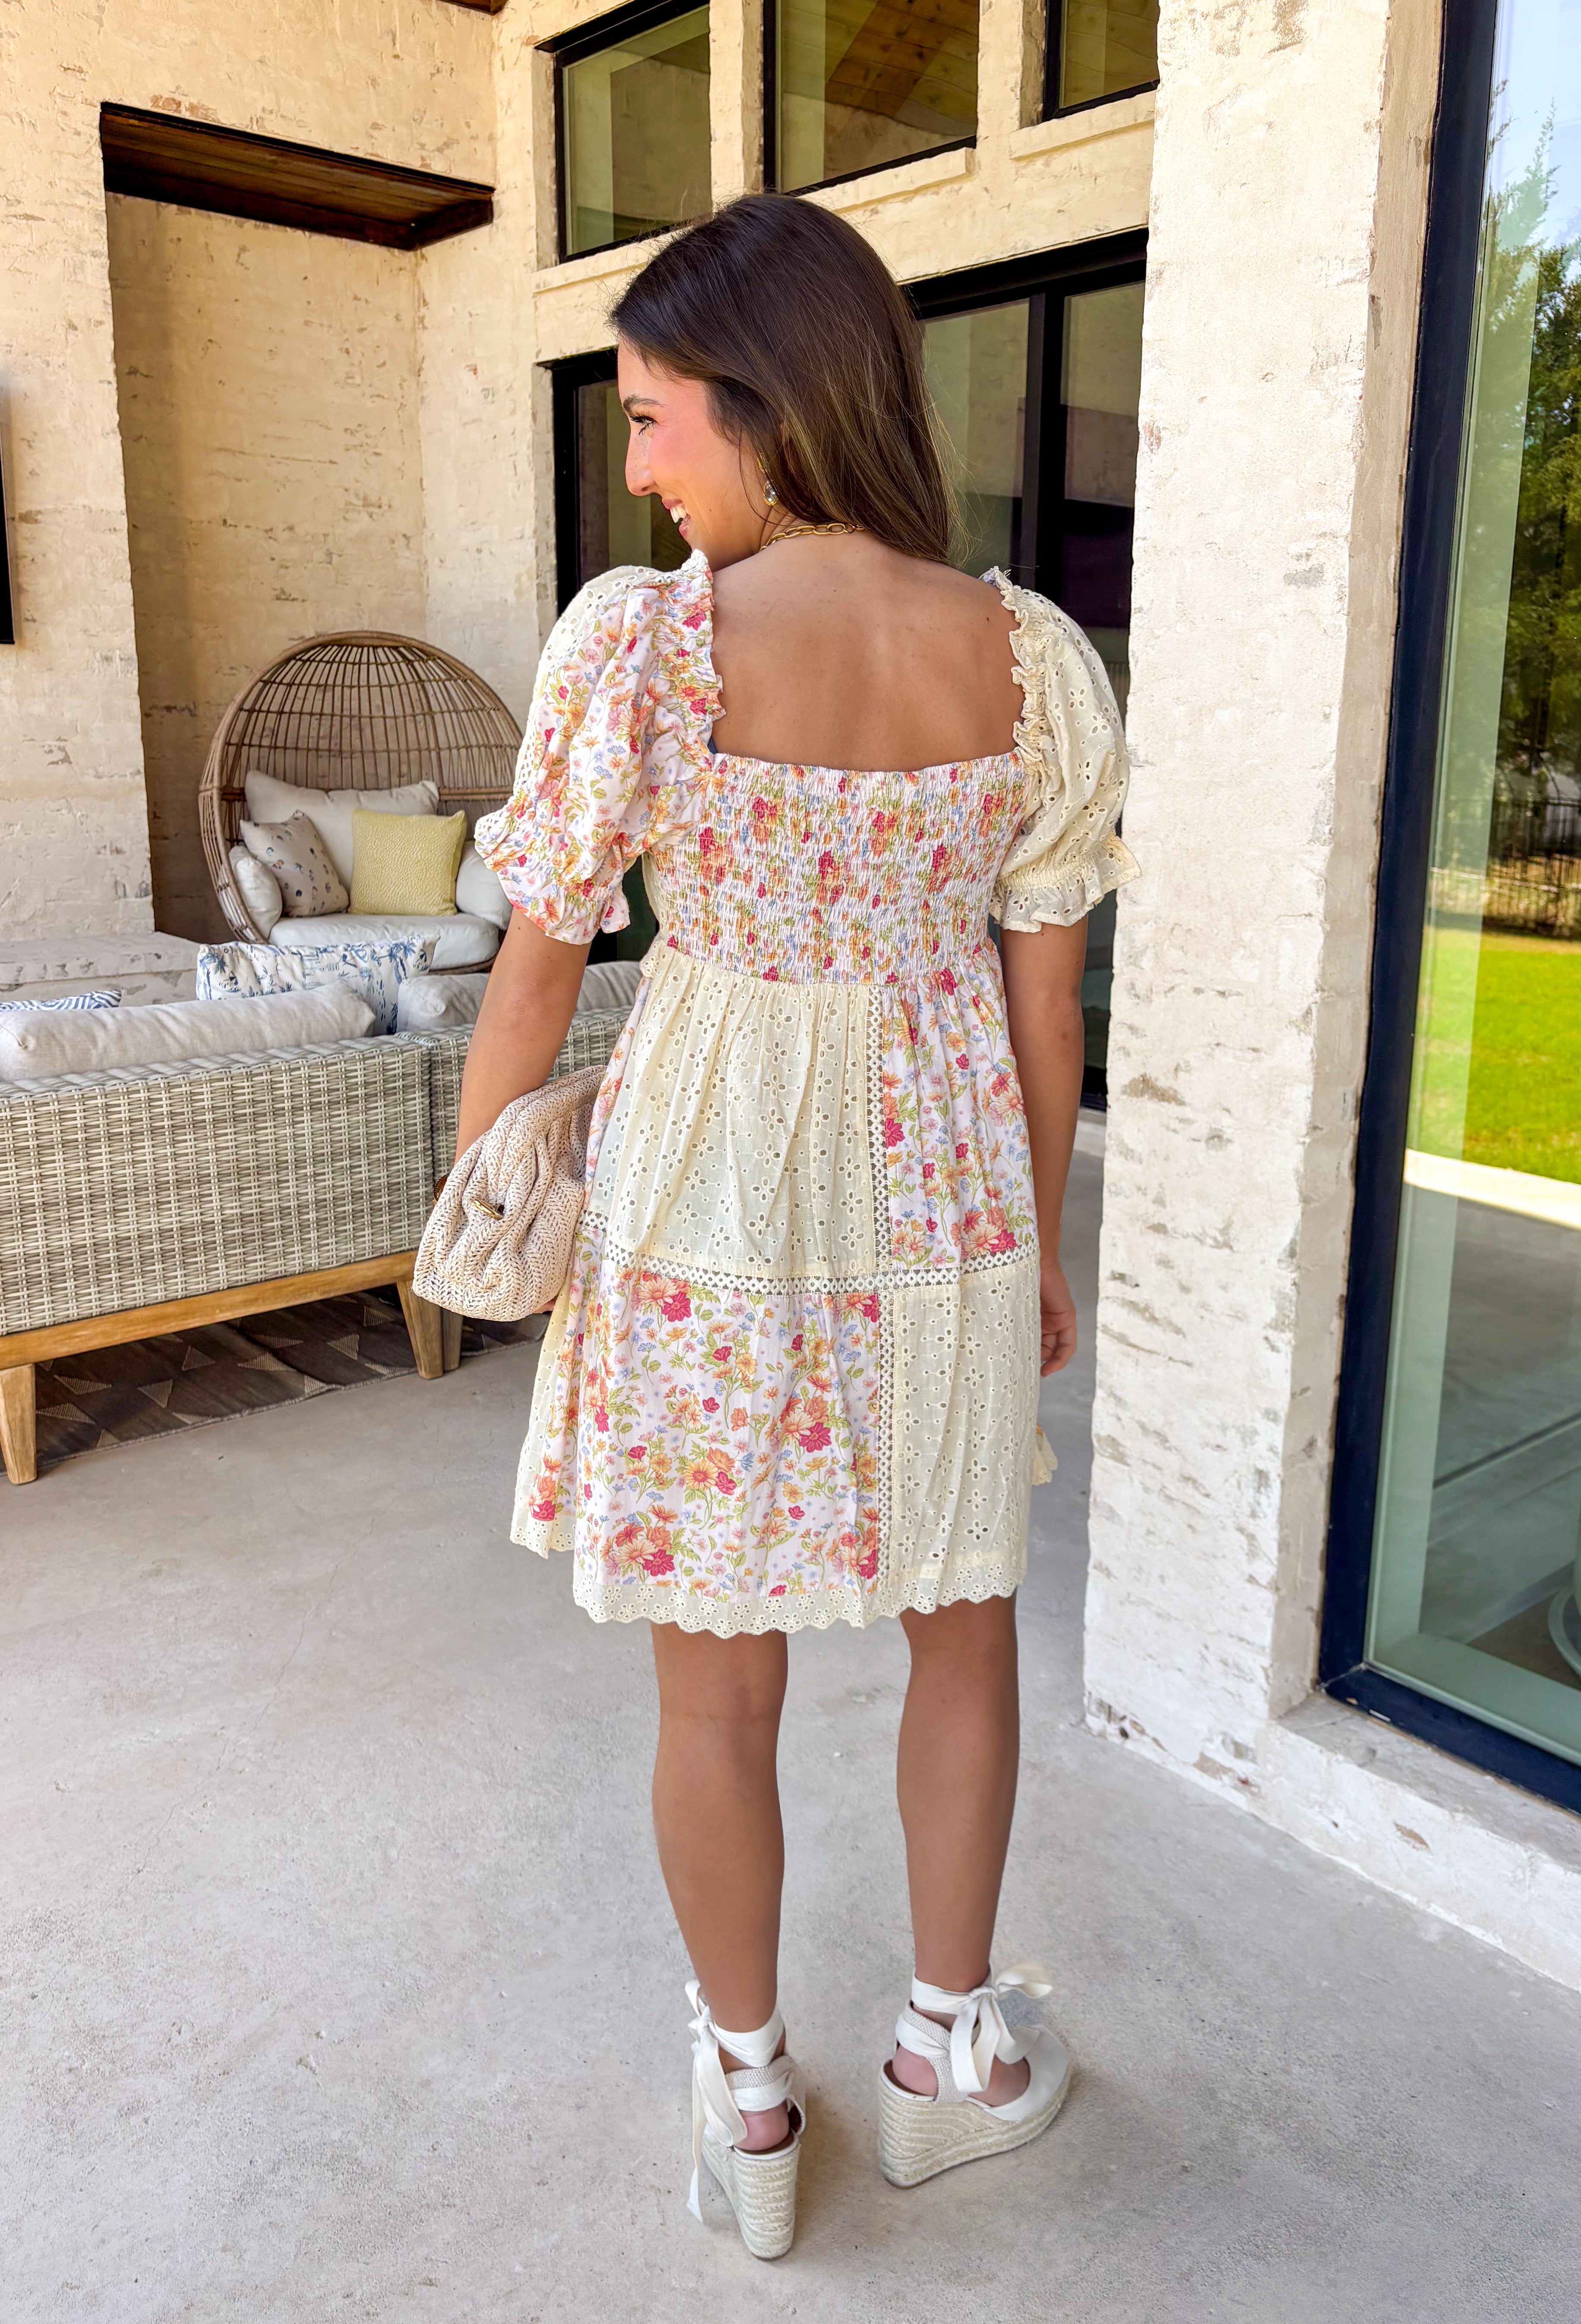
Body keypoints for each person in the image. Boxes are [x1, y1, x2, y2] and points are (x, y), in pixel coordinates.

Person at [460, 192, 1135, 2260]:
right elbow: (1044, 1014)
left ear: (762, 403)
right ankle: (944, 2056)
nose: (638, 469)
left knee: (714, 1681)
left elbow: (539, 964)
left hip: (704, 1194)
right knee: (962, 1621)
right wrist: (1037, 1246)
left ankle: (749, 2102)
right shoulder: (1025, 660)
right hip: (944, 1192)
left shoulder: (640, 642)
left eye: (651, 418)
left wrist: (486, 1201)